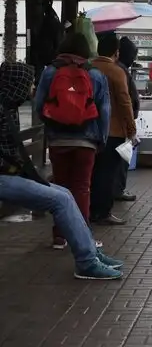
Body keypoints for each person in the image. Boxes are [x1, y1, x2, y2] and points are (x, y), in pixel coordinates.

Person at [0, 61, 124, 279]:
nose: (31, 90)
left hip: (10, 175)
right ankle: (86, 262)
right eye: (28, 84)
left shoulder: (6, 107)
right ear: (16, 84)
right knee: (62, 199)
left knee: (65, 193)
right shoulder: (3, 110)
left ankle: (92, 253)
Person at [34, 33, 111, 249]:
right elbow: (104, 110)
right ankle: (83, 236)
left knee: (60, 187)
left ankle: (60, 236)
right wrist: (101, 138)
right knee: (82, 188)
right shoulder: (95, 74)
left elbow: (39, 105)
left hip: (58, 140)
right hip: (86, 141)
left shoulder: (50, 72)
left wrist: (53, 124)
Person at [90, 33, 137, 226]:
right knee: (108, 173)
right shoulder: (116, 71)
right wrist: (131, 130)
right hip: (114, 130)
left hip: (91, 130)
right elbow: (125, 102)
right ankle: (103, 212)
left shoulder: (89, 68)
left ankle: (90, 209)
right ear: (116, 52)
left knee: (93, 172)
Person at [114, 36, 140, 202]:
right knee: (121, 159)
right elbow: (126, 99)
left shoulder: (117, 68)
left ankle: (115, 190)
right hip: (121, 123)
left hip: (117, 122)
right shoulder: (121, 71)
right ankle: (117, 190)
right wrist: (131, 126)